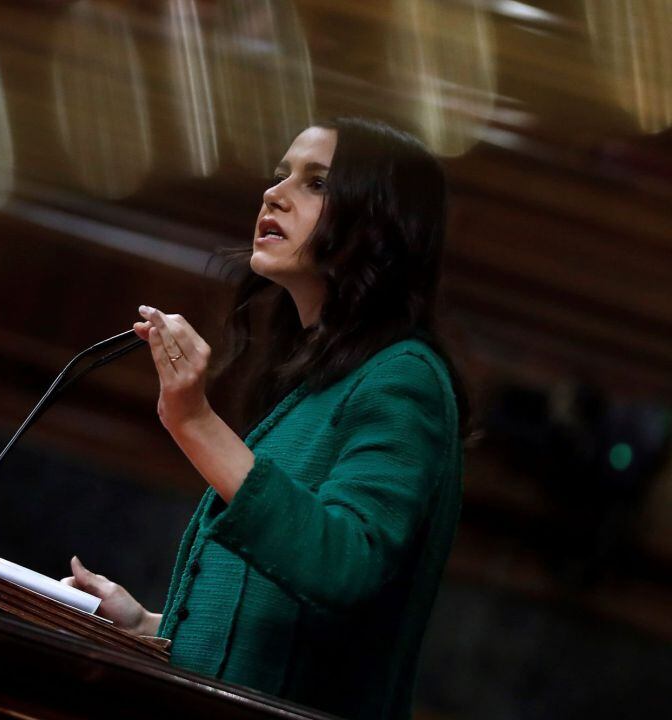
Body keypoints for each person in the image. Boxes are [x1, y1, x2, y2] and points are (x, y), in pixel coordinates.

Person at [62, 117, 470, 720]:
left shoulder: (403, 376)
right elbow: (270, 632)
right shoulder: (320, 379)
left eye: (318, 183)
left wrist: (195, 422)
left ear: (381, 222)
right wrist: (151, 624)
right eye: (280, 175)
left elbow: (344, 564)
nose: (273, 194)